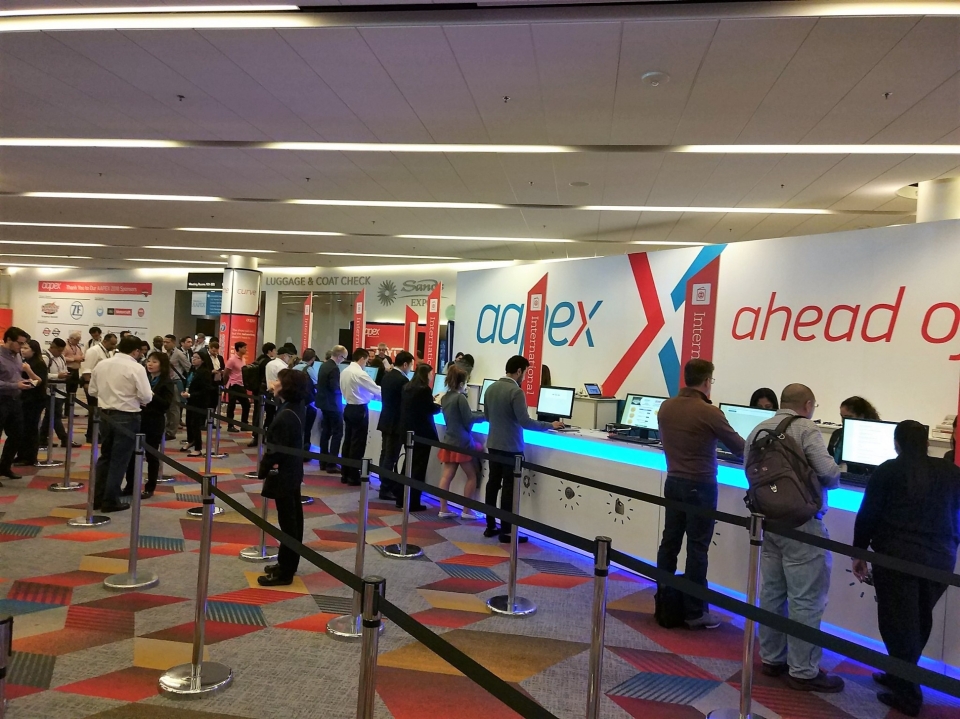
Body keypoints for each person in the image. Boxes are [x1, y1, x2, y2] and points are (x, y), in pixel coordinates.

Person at [853, 420, 960, 716]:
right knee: (918, 622)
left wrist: (858, 551)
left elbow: (868, 514)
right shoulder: (951, 472)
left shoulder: (888, 470)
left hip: (896, 559)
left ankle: (909, 693)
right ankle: (900, 674)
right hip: (940, 560)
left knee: (897, 624)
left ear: (896, 442)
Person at [746, 383, 844, 693]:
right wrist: (838, 474)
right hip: (802, 523)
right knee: (806, 598)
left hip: (766, 521)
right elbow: (828, 471)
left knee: (773, 591)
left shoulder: (759, 428)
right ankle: (803, 670)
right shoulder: (805, 428)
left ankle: (773, 659)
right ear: (808, 404)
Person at [656, 359, 745, 629]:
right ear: (707, 381)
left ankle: (664, 601)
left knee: (669, 543)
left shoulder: (665, 407)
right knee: (697, 548)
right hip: (701, 486)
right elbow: (740, 447)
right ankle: (695, 612)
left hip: (673, 482)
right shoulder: (709, 412)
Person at [484, 355, 562, 542]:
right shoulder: (516, 392)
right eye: (525, 372)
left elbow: (487, 417)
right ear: (518, 371)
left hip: (493, 444)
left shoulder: (490, 388)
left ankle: (490, 525)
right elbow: (525, 422)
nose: (525, 377)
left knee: (493, 484)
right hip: (511, 447)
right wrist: (549, 425)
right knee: (509, 489)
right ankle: (507, 531)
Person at [257, 370, 312, 587]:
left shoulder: (287, 413)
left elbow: (276, 450)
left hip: (285, 473)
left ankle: (286, 571)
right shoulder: (294, 406)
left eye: (278, 381)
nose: (273, 383)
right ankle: (285, 563)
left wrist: (263, 469)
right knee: (292, 520)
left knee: (288, 522)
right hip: (293, 471)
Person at [88, 335, 152, 512]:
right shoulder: (136, 367)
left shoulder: (102, 364)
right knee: (119, 460)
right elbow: (146, 396)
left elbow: (92, 391)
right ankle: (110, 500)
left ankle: (98, 498)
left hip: (105, 415)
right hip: (127, 416)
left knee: (105, 457)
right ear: (136, 351)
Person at [122, 351, 174, 499]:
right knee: (132, 454)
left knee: (151, 455)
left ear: (162, 365)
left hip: (154, 421)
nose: (150, 364)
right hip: (138, 418)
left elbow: (166, 404)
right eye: (149, 361)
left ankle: (150, 487)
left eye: (155, 362)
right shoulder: (143, 377)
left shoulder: (166, 382)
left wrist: (151, 395)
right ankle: (130, 485)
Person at [437, 365, 483, 519]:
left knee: (446, 476)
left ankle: (443, 508)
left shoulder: (445, 397)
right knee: (472, 476)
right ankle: (467, 510)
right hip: (462, 443)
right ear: (462, 383)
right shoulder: (460, 398)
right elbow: (469, 418)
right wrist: (485, 416)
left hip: (449, 440)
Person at [398, 363, 440, 512]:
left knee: (407, 466)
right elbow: (429, 410)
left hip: (407, 432)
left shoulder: (407, 387)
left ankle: (400, 498)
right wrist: (438, 404)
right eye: (431, 373)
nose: (432, 376)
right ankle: (413, 501)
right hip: (421, 434)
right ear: (426, 374)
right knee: (418, 469)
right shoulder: (424, 390)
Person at [339, 348, 382, 486]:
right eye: (366, 361)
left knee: (348, 441)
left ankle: (345, 473)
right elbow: (376, 389)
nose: (366, 364)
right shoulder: (360, 373)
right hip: (359, 409)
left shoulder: (345, 371)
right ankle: (354, 475)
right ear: (362, 359)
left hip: (348, 407)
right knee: (358, 443)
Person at [377, 351, 414, 501]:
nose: (411, 368)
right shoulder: (402, 380)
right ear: (405, 364)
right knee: (390, 457)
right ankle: (385, 488)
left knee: (385, 454)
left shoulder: (387, 376)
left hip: (386, 420)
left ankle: (384, 483)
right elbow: (406, 403)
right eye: (410, 365)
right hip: (396, 424)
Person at [0, 327, 32, 482]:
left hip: (15, 401)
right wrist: (15, 385)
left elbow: (15, 376)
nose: (22, 347)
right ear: (8, 340)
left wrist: (23, 382)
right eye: (19, 343)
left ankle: (4, 467)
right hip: (1, 400)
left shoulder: (17, 356)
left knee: (17, 435)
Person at [15, 340, 47, 467]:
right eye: (22, 348)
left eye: (26, 348)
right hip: (23, 398)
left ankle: (30, 456)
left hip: (35, 399)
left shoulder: (39, 363)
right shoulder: (22, 362)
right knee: (22, 428)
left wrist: (28, 370)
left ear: (33, 350)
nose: (23, 350)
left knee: (31, 428)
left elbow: (39, 381)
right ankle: (21, 454)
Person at [827, 396, 880, 470]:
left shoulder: (874, 436)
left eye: (848, 417)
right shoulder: (837, 434)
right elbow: (828, 460)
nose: (843, 420)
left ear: (861, 416)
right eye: (842, 416)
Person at [81, 333, 117, 443]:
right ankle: (91, 435)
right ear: (105, 341)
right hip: (92, 385)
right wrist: (87, 384)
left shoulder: (108, 352)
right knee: (93, 411)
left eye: (115, 344)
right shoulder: (94, 351)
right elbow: (86, 369)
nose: (114, 346)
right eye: (112, 344)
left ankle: (97, 433)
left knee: (100, 411)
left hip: (102, 385)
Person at [317, 345, 347, 473]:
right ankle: (332, 463)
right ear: (339, 356)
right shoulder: (334, 369)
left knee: (326, 432)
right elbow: (334, 388)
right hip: (333, 406)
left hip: (324, 404)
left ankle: (323, 461)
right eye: (344, 358)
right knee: (337, 433)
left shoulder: (324, 365)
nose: (343, 360)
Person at [182, 351, 217, 457]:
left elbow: (205, 390)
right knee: (188, 422)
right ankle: (190, 441)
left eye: (197, 358)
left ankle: (198, 448)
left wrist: (190, 395)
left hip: (200, 401)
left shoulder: (205, 372)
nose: (193, 359)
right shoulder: (193, 370)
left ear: (202, 360)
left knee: (196, 424)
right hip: (190, 400)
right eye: (193, 357)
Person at [39, 338, 72, 449]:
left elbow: (63, 369)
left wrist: (65, 375)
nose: (60, 353)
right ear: (53, 347)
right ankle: (65, 439)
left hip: (61, 391)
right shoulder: (45, 357)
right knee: (55, 416)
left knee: (49, 416)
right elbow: (41, 375)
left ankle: (42, 439)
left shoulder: (61, 357)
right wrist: (57, 376)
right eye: (59, 350)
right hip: (50, 392)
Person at [292, 348, 319, 454]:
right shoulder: (309, 369)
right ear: (312, 359)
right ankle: (305, 452)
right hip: (308, 404)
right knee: (306, 429)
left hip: (295, 402)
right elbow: (317, 385)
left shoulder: (294, 367)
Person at [163, 334, 190, 442]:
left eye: (167, 342)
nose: (165, 344)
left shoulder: (179, 354)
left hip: (175, 382)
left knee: (174, 408)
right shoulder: (165, 354)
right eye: (164, 342)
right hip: (166, 382)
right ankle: (167, 428)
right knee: (167, 408)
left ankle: (171, 431)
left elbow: (188, 367)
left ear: (173, 342)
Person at [266, 343, 296, 430]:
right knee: (278, 414)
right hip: (280, 394)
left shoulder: (270, 363)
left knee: (269, 415)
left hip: (270, 391)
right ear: (284, 356)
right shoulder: (282, 366)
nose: (289, 359)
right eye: (289, 356)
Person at [224, 341, 250, 433]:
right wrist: (225, 384)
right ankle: (230, 425)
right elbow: (226, 373)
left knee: (246, 404)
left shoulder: (243, 359)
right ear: (239, 348)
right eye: (244, 348)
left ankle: (244, 424)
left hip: (241, 384)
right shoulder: (232, 360)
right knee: (232, 405)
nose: (246, 349)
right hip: (233, 384)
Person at [63, 330, 85, 395]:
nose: (78, 342)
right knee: (67, 389)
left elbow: (81, 355)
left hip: (76, 370)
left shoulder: (78, 347)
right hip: (69, 369)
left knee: (74, 389)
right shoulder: (65, 346)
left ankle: (71, 403)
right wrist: (73, 359)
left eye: (79, 340)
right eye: (76, 340)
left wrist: (82, 358)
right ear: (71, 338)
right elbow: (62, 357)